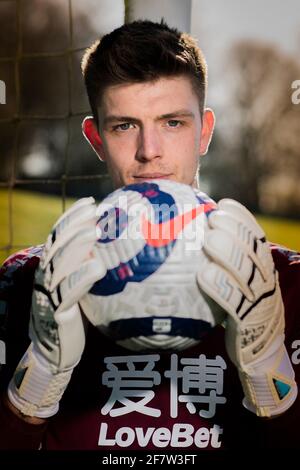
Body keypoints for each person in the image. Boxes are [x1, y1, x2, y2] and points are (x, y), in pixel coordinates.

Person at [0, 20, 300, 452]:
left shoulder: (284, 281)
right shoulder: (27, 280)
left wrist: (270, 375)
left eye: (173, 122)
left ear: (205, 130)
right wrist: (38, 381)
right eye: (124, 126)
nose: (149, 150)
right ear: (96, 138)